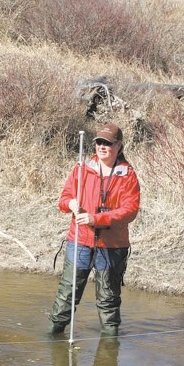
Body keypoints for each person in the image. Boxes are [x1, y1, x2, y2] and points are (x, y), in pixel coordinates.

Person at [48, 123, 141, 336]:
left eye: (108, 143)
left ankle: (109, 348)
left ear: (119, 145)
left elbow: (130, 210)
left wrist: (96, 219)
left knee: (108, 298)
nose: (102, 146)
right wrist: (70, 203)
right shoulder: (82, 168)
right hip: (79, 240)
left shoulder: (127, 175)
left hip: (112, 245)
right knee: (67, 293)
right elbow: (63, 200)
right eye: (99, 142)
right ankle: (52, 337)